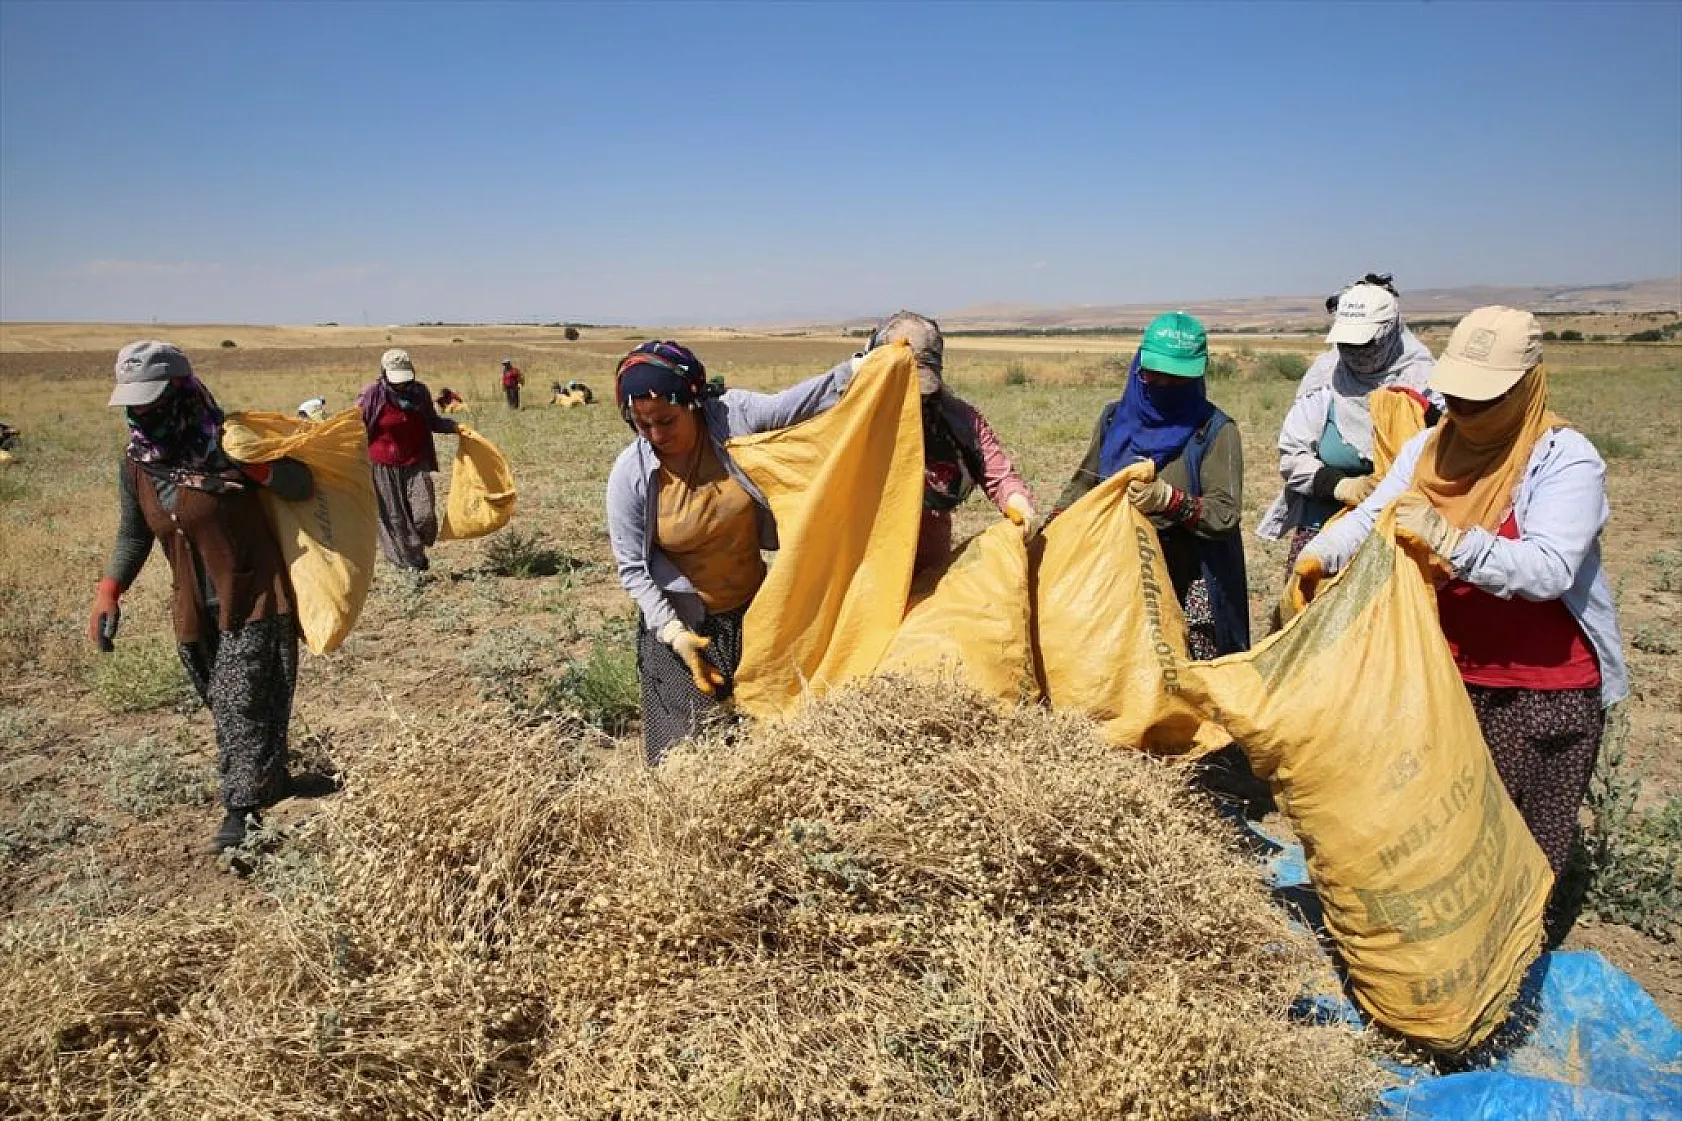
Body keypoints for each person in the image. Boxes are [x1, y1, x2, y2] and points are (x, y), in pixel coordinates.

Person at [1294, 307, 1627, 933]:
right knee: (1436, 834)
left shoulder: (1563, 459)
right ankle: (1437, 962)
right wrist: (1322, 553)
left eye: (1484, 400)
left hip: (1540, 690)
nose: (1466, 413)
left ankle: (1503, 966)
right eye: (1457, 397)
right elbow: (1376, 515)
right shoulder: (1430, 446)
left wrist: (1452, 538)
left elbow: (1550, 569)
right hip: (1444, 675)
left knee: (1515, 850)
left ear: (1525, 387)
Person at [87, 341, 315, 852]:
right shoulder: (138, 463)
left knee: (240, 699)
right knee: (230, 703)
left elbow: (300, 486)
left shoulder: (232, 439)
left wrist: (255, 469)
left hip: (255, 592)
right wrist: (109, 591)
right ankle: (269, 778)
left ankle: (242, 813)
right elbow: (133, 533)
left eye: (149, 397)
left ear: (180, 390)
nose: (139, 409)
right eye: (132, 399)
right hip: (191, 603)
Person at [606, 340, 859, 764]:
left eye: (666, 420)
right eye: (641, 424)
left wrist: (863, 365)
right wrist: (673, 634)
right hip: (684, 629)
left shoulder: (730, 417)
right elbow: (633, 568)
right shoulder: (630, 476)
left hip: (757, 615)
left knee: (767, 743)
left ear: (693, 403)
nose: (655, 436)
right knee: (684, 760)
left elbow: (797, 405)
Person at [1052, 312, 1249, 659]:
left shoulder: (1215, 431)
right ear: (1139, 366)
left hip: (1190, 573)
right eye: (1156, 376)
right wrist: (1049, 531)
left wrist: (1169, 500)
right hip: (1120, 567)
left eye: (1177, 380)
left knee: (1187, 674)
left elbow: (1224, 515)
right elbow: (1084, 484)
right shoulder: (1114, 419)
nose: (1165, 387)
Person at [1258, 275, 1438, 570]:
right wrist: (1341, 486)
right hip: (1321, 526)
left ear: (1389, 333)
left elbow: (1444, 454)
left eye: (1364, 343)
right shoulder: (1327, 379)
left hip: (1400, 534)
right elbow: (1292, 457)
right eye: (1347, 343)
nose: (1355, 353)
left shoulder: (1423, 381)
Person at [862, 311, 1036, 574]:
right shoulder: (848, 416)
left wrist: (1017, 501)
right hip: (863, 566)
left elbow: (998, 475)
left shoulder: (957, 420)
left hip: (926, 568)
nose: (913, 398)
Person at [358, 348, 459, 572]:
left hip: (414, 461)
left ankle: (415, 552)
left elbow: (432, 421)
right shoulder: (371, 395)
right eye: (396, 381)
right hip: (382, 465)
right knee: (395, 519)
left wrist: (455, 427)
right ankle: (409, 565)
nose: (401, 386)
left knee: (424, 513)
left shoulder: (420, 392)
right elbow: (355, 427)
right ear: (384, 373)